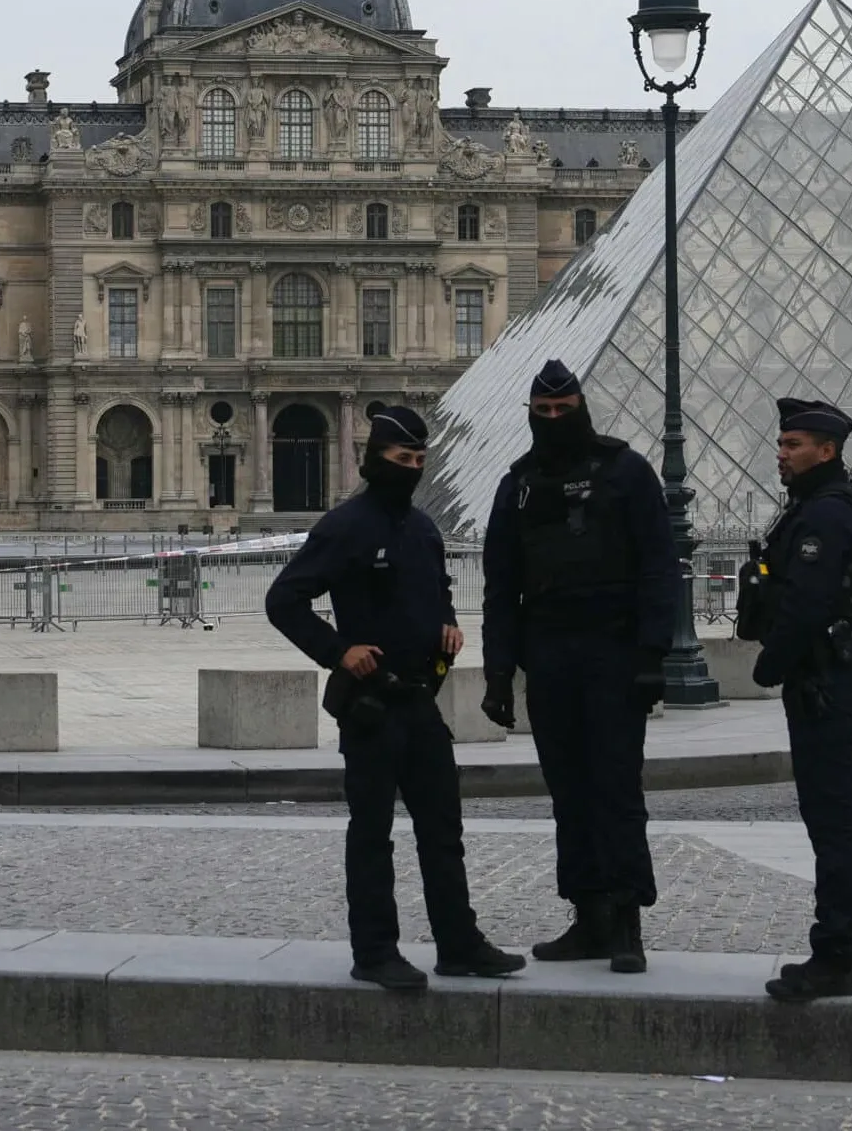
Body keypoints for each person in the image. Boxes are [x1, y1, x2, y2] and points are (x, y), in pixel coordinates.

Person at [265, 406, 525, 992]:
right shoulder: (345, 525)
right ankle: (375, 950)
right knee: (372, 832)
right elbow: (284, 600)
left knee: (443, 830)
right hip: (371, 705)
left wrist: (449, 623)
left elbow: (437, 589)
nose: (410, 468)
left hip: (419, 700)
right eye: (399, 460)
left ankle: (458, 943)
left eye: (417, 461)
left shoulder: (424, 527)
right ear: (373, 460)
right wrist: (337, 651)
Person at [480, 359, 677, 973]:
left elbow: (658, 567)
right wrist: (497, 674)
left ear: (583, 408)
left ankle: (627, 921)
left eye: (564, 412)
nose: (555, 421)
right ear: (531, 416)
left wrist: (652, 657)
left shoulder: (627, 472)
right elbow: (499, 586)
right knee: (568, 792)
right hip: (551, 653)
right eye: (544, 414)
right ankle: (587, 914)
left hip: (614, 652)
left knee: (616, 788)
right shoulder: (516, 485)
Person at [746, 398, 852, 1002]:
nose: (782, 454)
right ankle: (842, 951)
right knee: (828, 817)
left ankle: (836, 954)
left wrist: (768, 665)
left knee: (830, 820)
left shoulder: (825, 515)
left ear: (827, 451)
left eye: (793, 445)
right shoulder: (819, 507)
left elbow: (805, 604)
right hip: (826, 671)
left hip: (822, 675)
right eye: (781, 444)